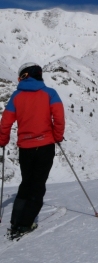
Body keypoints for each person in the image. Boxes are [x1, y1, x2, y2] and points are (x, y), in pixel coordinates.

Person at [0, 62, 65, 236]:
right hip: (45, 146)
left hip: (25, 149)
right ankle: (25, 224)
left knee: (26, 183)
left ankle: (15, 221)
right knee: (37, 186)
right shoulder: (50, 94)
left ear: (24, 76)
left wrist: (2, 140)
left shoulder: (16, 96)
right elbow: (59, 118)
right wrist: (58, 136)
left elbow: (5, 122)